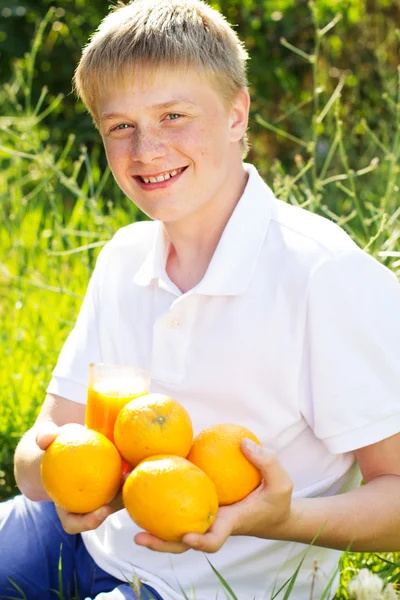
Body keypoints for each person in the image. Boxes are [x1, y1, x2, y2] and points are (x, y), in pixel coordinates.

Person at [2, 0, 400, 599]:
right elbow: (46, 441)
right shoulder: (122, 258)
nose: (147, 149)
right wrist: (61, 475)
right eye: (120, 126)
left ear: (237, 113)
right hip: (84, 534)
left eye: (173, 115)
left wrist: (282, 519)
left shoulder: (323, 275)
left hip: (205, 584)